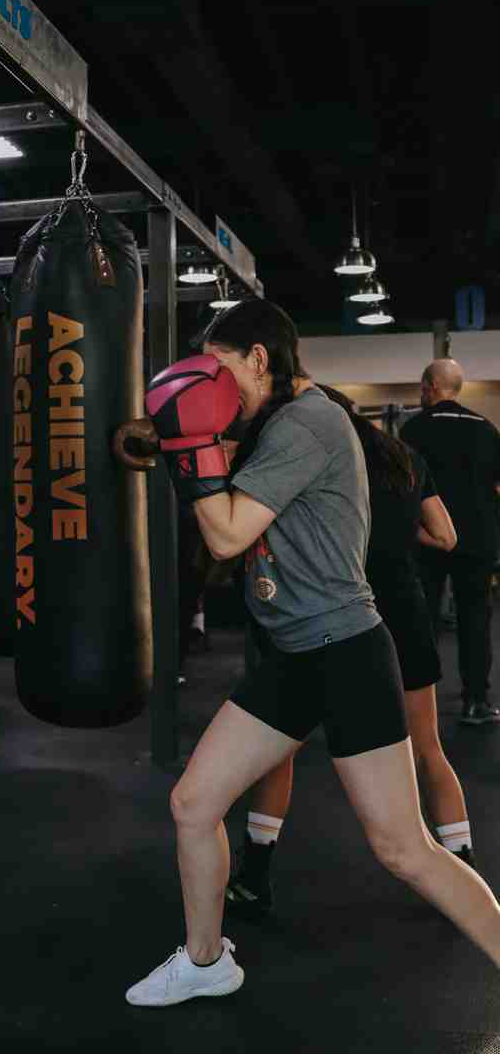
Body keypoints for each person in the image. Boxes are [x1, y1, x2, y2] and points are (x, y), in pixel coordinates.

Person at [125, 299, 500, 1009]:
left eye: (222, 369)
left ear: (259, 359)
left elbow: (226, 536)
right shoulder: (274, 423)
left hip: (345, 652)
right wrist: (176, 440)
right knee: (194, 804)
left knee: (404, 849)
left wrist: (189, 446)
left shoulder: (307, 423)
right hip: (295, 654)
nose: (216, 386)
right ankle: (204, 961)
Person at [225, 385, 475, 925]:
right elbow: (446, 536)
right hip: (400, 611)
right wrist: (396, 538)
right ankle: (462, 870)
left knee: (279, 754)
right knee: (427, 747)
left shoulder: (306, 453)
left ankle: (253, 876)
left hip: (329, 617)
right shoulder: (404, 459)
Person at [400, 359, 500, 724]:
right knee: (476, 618)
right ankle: (476, 701)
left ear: (429, 386)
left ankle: (417, 705)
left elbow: (402, 489)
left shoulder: (413, 430)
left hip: (429, 539)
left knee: (421, 619)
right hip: (477, 542)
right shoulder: (486, 429)